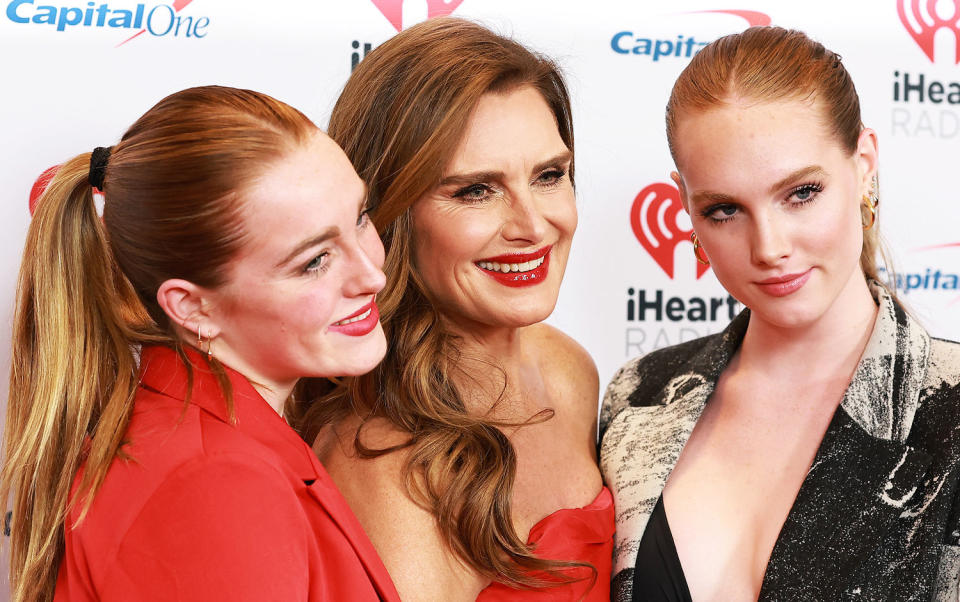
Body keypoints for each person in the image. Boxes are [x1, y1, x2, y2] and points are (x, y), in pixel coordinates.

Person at [599, 26, 960, 602]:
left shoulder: (950, 410)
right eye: (723, 209)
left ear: (864, 163)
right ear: (685, 204)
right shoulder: (639, 398)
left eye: (801, 193)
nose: (769, 247)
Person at [0, 85, 401, 602]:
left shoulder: (212, 440)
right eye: (314, 261)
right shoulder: (214, 483)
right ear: (193, 308)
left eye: (361, 218)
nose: (372, 274)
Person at [295, 17, 613, 601]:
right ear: (389, 213)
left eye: (549, 176)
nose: (533, 226)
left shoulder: (570, 369)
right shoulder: (383, 454)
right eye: (475, 190)